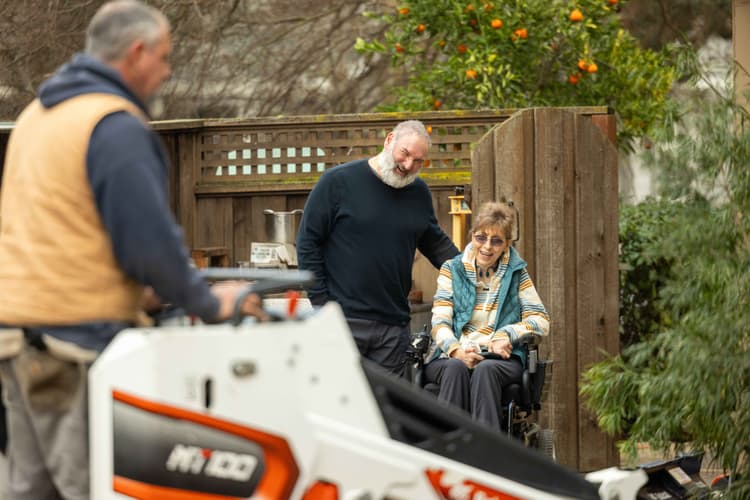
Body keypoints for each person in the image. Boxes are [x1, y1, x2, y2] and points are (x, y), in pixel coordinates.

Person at [0, 2, 266, 499]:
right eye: (164, 58)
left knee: (31, 489)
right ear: (137, 52)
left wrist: (130, 288)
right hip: (72, 343)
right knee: (93, 486)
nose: (166, 72)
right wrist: (210, 302)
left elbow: (59, 227)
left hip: (17, 337)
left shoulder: (37, 115)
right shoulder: (112, 125)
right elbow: (150, 242)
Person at [296, 120, 459, 375]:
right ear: (389, 140)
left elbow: (435, 243)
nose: (408, 166)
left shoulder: (418, 192)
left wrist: (475, 270)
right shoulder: (337, 182)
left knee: (389, 410)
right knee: (341, 407)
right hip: (343, 321)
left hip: (393, 329)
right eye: (405, 154)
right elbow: (307, 245)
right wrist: (323, 307)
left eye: (418, 161)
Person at [424, 201, 550, 431]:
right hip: (451, 353)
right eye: (481, 237)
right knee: (455, 367)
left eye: (496, 240)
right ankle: (448, 450)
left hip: (498, 359)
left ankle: (485, 453)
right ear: (472, 235)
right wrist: (455, 350)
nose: (487, 247)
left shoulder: (517, 273)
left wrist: (506, 334)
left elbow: (540, 320)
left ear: (507, 244)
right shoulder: (451, 270)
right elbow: (439, 321)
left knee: (485, 370)